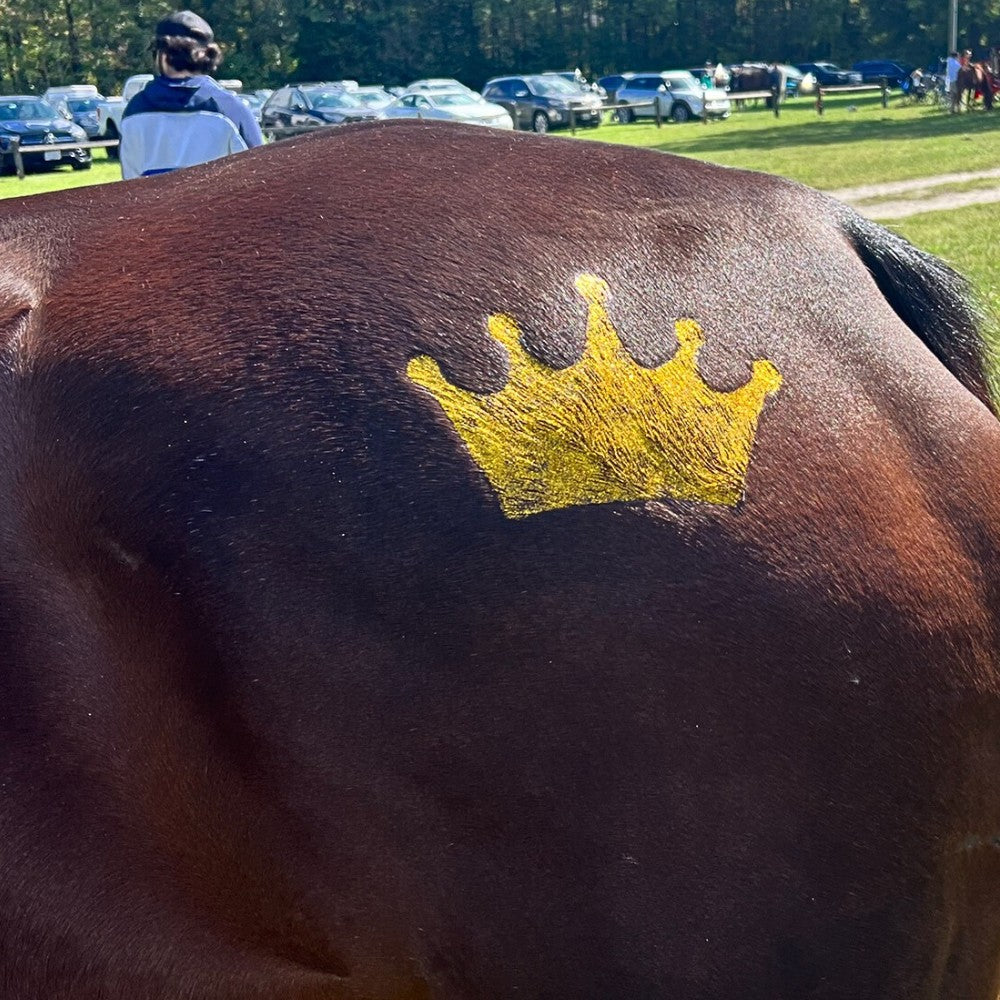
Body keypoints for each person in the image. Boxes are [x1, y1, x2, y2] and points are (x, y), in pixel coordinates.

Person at [120, 10, 263, 180]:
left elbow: (131, 182)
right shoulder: (231, 110)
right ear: (208, 55)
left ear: (160, 55)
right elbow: (259, 176)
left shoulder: (134, 111)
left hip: (156, 199)